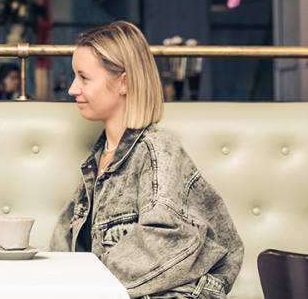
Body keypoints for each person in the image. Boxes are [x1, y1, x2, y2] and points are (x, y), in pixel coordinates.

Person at [50, 21, 243, 299]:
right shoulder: (99, 159)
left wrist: (84, 283)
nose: (72, 89)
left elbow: (166, 238)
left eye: (84, 78)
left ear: (124, 83)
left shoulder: (157, 149)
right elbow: (67, 249)